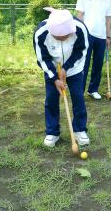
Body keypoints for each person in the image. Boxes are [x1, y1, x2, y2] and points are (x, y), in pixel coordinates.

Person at [33, 8, 90, 147]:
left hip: (75, 67)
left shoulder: (80, 29)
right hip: (52, 68)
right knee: (51, 99)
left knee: (78, 97)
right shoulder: (41, 33)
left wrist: (66, 67)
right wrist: (55, 78)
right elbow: (43, 59)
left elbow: (81, 51)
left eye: (66, 36)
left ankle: (79, 130)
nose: (64, 39)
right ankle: (52, 132)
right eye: (59, 37)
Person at [76, 0, 111, 100]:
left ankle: (93, 90)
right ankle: (79, 91)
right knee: (83, 64)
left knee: (98, 64)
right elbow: (80, 15)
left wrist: (108, 36)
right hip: (87, 34)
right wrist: (80, 33)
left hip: (101, 36)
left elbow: (108, 19)